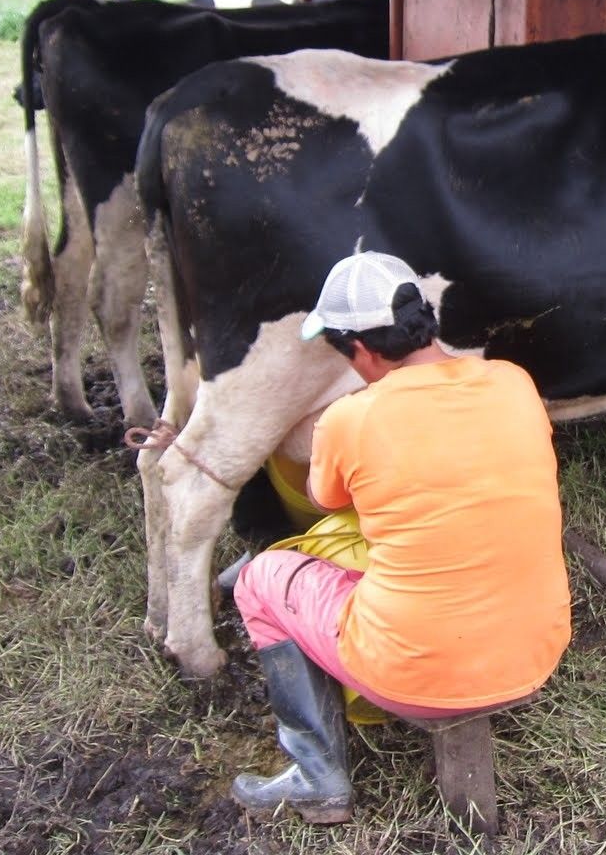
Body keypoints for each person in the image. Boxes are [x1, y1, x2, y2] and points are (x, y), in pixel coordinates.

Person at [229, 250, 572, 822]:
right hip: (536, 653)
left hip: (413, 673)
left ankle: (316, 774)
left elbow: (324, 501)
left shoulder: (350, 417)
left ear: (360, 350)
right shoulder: (514, 382)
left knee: (261, 580)